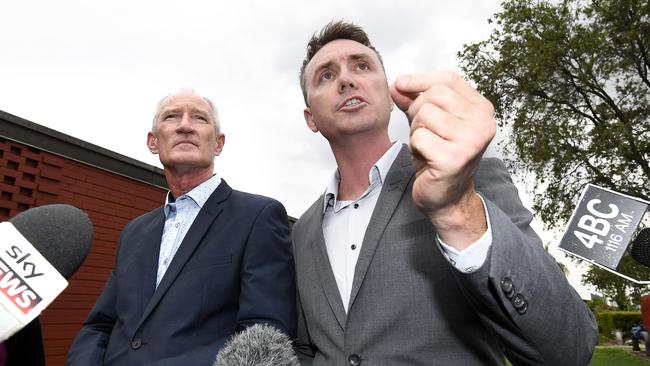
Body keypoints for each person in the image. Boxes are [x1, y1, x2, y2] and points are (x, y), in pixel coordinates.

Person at [292, 21, 598, 365]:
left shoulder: (472, 177)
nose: (347, 79)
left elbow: (569, 349)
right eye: (326, 76)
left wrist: (458, 210)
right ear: (310, 118)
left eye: (361, 66)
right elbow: (307, 348)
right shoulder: (302, 230)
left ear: (390, 97)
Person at [66, 90, 296, 365]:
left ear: (218, 144)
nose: (185, 125)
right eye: (172, 116)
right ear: (153, 142)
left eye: (199, 118)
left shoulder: (259, 217)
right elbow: (99, 327)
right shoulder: (134, 232)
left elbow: (264, 334)